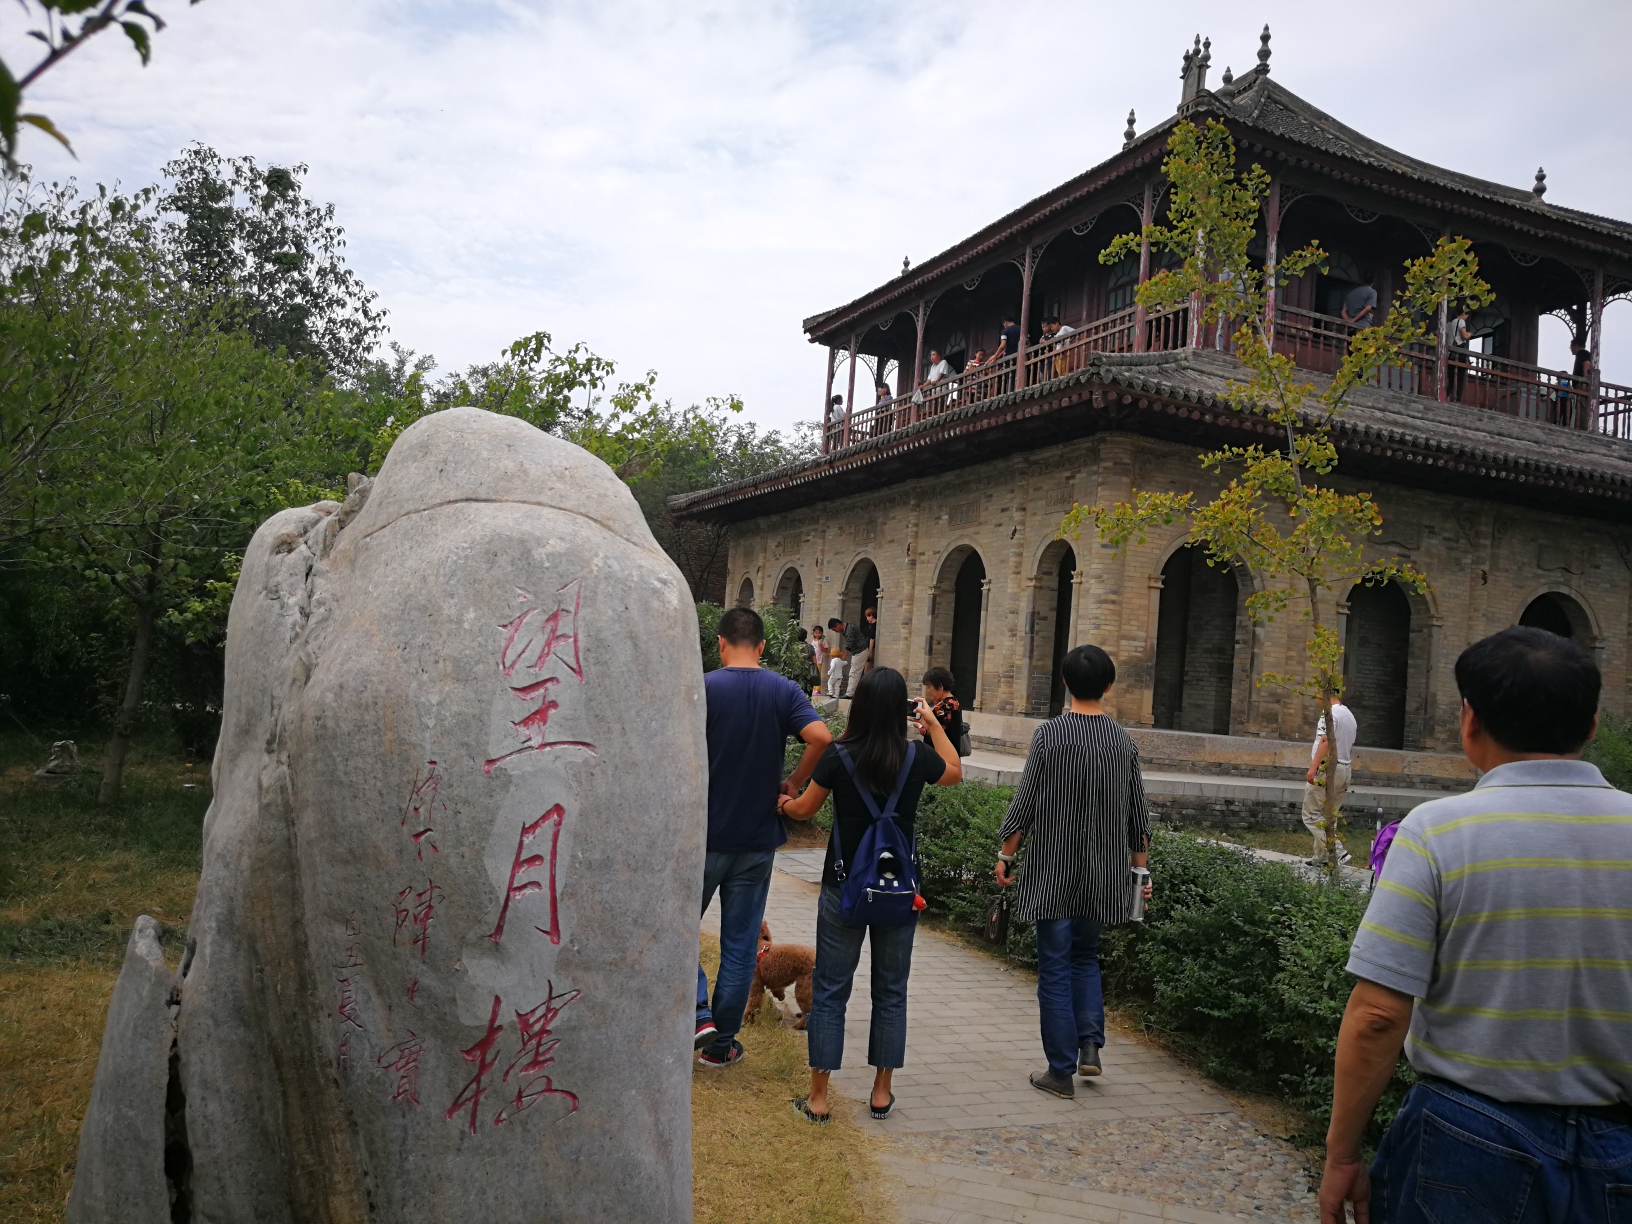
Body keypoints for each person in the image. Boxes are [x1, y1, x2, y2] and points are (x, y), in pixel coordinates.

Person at [1319, 626, 1632, 1224]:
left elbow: (1380, 1014)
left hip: (1466, 1140)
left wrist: (1341, 1156)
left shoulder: (1437, 832)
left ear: (1470, 721)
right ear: (1592, 724)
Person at [778, 667, 963, 1122]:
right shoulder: (916, 757)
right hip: (899, 893)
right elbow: (955, 772)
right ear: (901, 708)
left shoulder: (839, 756)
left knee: (830, 990)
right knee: (891, 991)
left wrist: (783, 801)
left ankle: (819, 1099)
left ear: (858, 705)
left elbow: (804, 809)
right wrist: (934, 725)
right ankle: (881, 1093)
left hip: (844, 889)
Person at [996, 645, 1152, 1099]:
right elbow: (1137, 817)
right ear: (1109, 686)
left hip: (1052, 872)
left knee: (1055, 966)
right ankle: (1089, 1046)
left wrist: (1006, 857)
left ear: (1064, 683)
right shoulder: (1123, 741)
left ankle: (1060, 1071)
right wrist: (1140, 876)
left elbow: (1024, 803)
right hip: (1103, 876)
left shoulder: (1050, 736)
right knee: (1086, 957)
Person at [695, 607, 834, 1067]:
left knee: (677, 931)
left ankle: (699, 1015)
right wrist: (794, 782)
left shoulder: (704, 688)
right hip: (757, 841)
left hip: (704, 837)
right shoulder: (783, 690)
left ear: (720, 643)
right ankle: (721, 1044)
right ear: (761, 646)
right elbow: (821, 737)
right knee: (740, 945)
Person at [1302, 693, 1356, 867]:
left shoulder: (1329, 715)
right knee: (1329, 816)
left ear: (1324, 695)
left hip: (1328, 769)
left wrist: (1313, 767)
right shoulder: (1348, 714)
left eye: (1317, 695)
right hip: (1345, 768)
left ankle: (1338, 852)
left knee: (1311, 815)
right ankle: (1321, 857)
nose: (1316, 700)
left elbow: (1325, 742)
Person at [921, 666, 961, 743]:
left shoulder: (945, 706)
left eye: (929, 687)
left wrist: (920, 726)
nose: (928, 690)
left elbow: (934, 733)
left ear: (940, 687)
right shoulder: (953, 702)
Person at [809, 623, 829, 692]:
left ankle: (817, 690)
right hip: (812, 661)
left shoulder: (823, 641)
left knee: (817, 675)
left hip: (819, 661)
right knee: (812, 675)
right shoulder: (813, 642)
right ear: (814, 633)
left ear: (822, 633)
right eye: (816, 633)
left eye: (819, 633)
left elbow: (826, 650)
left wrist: (821, 645)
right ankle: (813, 688)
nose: (817, 634)